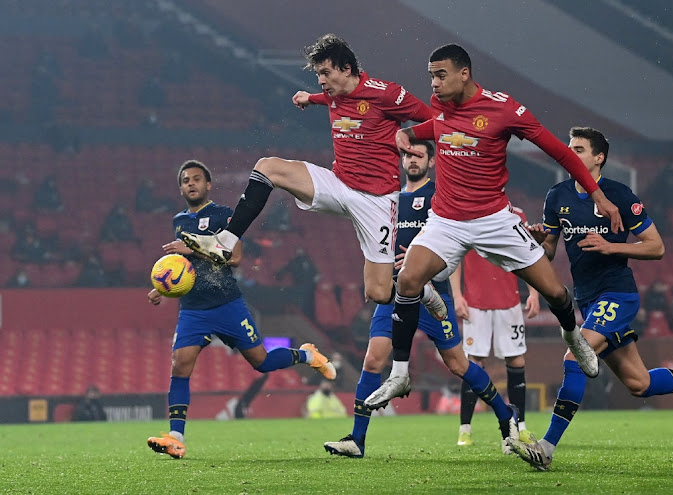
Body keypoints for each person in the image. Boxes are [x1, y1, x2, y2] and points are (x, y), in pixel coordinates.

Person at [364, 44, 623, 410]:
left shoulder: (503, 109)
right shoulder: (440, 105)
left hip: (494, 220)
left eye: (440, 75)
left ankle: (573, 336)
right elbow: (439, 127)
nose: (433, 85)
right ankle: (400, 372)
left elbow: (560, 153)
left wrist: (598, 195)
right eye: (431, 76)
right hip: (447, 219)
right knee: (406, 280)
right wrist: (410, 133)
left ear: (464, 73)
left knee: (556, 293)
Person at [508, 126, 673, 471]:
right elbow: (549, 253)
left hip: (618, 294)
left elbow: (656, 247)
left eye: (579, 149)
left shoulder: (619, 195)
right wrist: (539, 240)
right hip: (588, 299)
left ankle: (547, 448)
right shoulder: (557, 196)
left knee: (575, 355)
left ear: (599, 158)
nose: (571, 153)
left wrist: (611, 245)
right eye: (570, 148)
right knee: (638, 384)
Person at [179, 34, 447, 320]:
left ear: (347, 69)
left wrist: (408, 133)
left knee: (379, 292)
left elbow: (436, 119)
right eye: (318, 74)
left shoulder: (387, 94)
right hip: (338, 183)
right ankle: (226, 242)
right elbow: (331, 98)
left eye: (326, 73)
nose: (321, 80)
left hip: (377, 200)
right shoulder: (332, 93)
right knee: (268, 166)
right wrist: (310, 98)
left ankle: (426, 294)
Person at [324, 141, 521, 458]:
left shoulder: (440, 196)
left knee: (458, 364)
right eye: (407, 155)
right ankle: (356, 440)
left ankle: (505, 416)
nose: (411, 160)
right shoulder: (391, 198)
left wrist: (423, 263)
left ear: (431, 161)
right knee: (373, 359)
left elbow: (458, 240)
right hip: (393, 292)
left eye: (418, 155)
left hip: (433, 293)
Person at [146, 160, 337, 459]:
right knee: (179, 365)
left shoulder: (223, 215)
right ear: (181, 187)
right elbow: (183, 268)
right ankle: (175, 437)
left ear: (208, 185)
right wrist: (161, 288)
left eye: (197, 179)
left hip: (227, 304)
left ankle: (307, 355)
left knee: (261, 362)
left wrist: (192, 247)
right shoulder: (178, 221)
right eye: (185, 180)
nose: (191, 184)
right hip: (193, 309)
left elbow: (234, 257)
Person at [450, 206, 540, 447]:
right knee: (474, 363)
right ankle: (465, 429)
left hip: (509, 302)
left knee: (516, 361)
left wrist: (533, 292)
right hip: (475, 303)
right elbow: (457, 256)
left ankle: (520, 426)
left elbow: (527, 254)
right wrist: (457, 296)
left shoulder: (517, 214)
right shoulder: (467, 211)